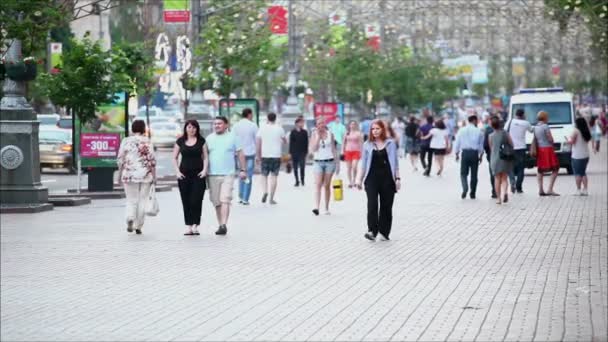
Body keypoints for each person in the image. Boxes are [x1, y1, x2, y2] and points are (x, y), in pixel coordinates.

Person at [356, 120, 400, 242]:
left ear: (382, 129)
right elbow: (364, 165)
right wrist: (359, 180)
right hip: (371, 179)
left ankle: (384, 232)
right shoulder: (367, 144)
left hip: (387, 179)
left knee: (386, 206)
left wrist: (397, 178)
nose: (375, 131)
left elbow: (395, 164)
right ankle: (372, 231)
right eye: (373, 129)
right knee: (372, 204)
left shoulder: (390, 143)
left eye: (377, 128)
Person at [205, 116, 247, 235]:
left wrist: (243, 170)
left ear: (226, 125)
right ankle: (220, 224)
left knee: (225, 199)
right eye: (215, 124)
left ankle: (224, 224)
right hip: (212, 174)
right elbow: (204, 156)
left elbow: (240, 154)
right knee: (216, 201)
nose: (217, 126)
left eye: (219, 123)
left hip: (228, 174)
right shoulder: (209, 138)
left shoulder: (233, 137)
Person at [117, 119, 157, 235]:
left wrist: (119, 175)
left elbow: (120, 159)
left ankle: (130, 217)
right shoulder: (147, 141)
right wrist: (154, 176)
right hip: (145, 174)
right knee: (142, 200)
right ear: (144, 129)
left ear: (132, 129)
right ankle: (138, 226)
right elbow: (152, 160)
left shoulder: (126, 141)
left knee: (131, 200)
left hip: (129, 174)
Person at [172, 120, 208, 236]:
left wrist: (204, 170)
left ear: (197, 129)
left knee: (196, 200)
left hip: (198, 175)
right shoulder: (180, 141)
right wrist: (177, 172)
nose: (191, 130)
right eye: (189, 127)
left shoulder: (202, 141)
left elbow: (206, 157)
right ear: (185, 128)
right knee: (186, 200)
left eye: (194, 127)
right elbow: (174, 157)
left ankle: (195, 225)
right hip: (184, 175)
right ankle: (188, 226)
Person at [310, 116, 339, 215]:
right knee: (318, 184)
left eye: (322, 123)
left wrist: (337, 163)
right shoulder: (314, 134)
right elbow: (313, 149)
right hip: (318, 162)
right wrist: (318, 137)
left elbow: (334, 149)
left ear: (325, 124)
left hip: (329, 162)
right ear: (316, 125)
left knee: (326, 185)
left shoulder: (330, 134)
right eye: (319, 124)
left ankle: (326, 207)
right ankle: (316, 207)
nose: (321, 125)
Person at [256, 112, 286, 204]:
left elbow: (258, 143)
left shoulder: (262, 128)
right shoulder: (279, 128)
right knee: (274, 176)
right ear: (275, 118)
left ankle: (265, 191)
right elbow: (285, 141)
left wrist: (258, 155)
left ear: (267, 119)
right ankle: (271, 198)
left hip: (265, 155)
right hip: (276, 155)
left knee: (263, 175)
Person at [454, 115, 484, 199]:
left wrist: (456, 153)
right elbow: (481, 146)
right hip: (474, 154)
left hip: (465, 153)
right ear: (474, 120)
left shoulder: (461, 130)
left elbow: (457, 143)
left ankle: (465, 188)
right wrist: (481, 155)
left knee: (463, 173)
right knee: (474, 174)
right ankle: (473, 193)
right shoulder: (479, 131)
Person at [232, 108, 258, 205]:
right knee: (248, 175)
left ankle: (240, 196)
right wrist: (258, 155)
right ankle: (245, 199)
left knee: (241, 174)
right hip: (250, 153)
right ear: (249, 114)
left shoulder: (236, 125)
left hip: (239, 153)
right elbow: (257, 140)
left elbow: (233, 139)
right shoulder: (253, 125)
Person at [489, 116, 514, 204]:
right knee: (504, 178)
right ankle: (506, 192)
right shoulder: (505, 133)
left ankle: (499, 199)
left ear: (492, 126)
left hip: (495, 159)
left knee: (497, 179)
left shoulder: (490, 136)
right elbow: (512, 144)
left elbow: (491, 148)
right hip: (504, 158)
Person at [533, 111, 560, 196]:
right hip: (548, 149)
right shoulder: (545, 126)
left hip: (540, 149)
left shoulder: (536, 127)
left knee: (540, 170)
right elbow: (550, 138)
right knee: (555, 168)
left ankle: (540, 189)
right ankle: (550, 189)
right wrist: (553, 142)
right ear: (545, 117)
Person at [506, 109, 533, 194]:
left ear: (516, 114)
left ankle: (512, 182)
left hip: (511, 148)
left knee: (510, 167)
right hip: (521, 149)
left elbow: (505, 131)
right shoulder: (526, 123)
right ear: (523, 115)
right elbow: (532, 130)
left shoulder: (510, 121)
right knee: (521, 168)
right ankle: (519, 188)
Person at [567, 117, 592, 196]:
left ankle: (578, 190)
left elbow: (572, 142)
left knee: (578, 173)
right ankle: (585, 190)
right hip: (585, 155)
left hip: (577, 155)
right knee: (583, 172)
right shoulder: (586, 131)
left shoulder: (576, 131)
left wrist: (568, 140)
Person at [289, 116, 309, 187]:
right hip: (294, 152)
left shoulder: (305, 132)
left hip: (302, 152)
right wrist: (290, 153)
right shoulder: (293, 132)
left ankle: (302, 180)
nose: (302, 124)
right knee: (295, 167)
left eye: (303, 122)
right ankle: (297, 180)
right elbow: (291, 143)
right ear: (297, 123)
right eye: (301, 122)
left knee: (302, 166)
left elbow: (306, 142)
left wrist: (306, 152)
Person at [343, 120, 364, 188]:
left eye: (354, 124)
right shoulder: (346, 133)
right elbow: (344, 142)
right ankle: (350, 182)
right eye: (351, 124)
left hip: (356, 151)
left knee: (354, 166)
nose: (352, 125)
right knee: (349, 168)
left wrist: (362, 152)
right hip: (348, 151)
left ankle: (354, 180)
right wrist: (342, 151)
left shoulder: (358, 133)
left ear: (356, 125)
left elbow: (361, 143)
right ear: (349, 125)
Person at [483, 116, 497, 198]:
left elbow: (485, 144)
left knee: (492, 173)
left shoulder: (488, 130)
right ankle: (500, 190)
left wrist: (487, 152)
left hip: (490, 154)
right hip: (500, 154)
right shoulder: (502, 130)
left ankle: (494, 191)